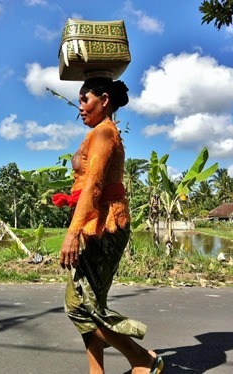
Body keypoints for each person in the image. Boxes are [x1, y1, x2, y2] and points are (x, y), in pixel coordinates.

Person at [53, 75, 164, 374]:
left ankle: (143, 359)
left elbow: (94, 186)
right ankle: (96, 371)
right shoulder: (100, 131)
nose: (80, 108)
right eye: (78, 101)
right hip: (97, 223)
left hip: (105, 225)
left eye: (84, 100)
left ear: (103, 100)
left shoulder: (104, 133)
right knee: (91, 304)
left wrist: (72, 233)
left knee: (77, 305)